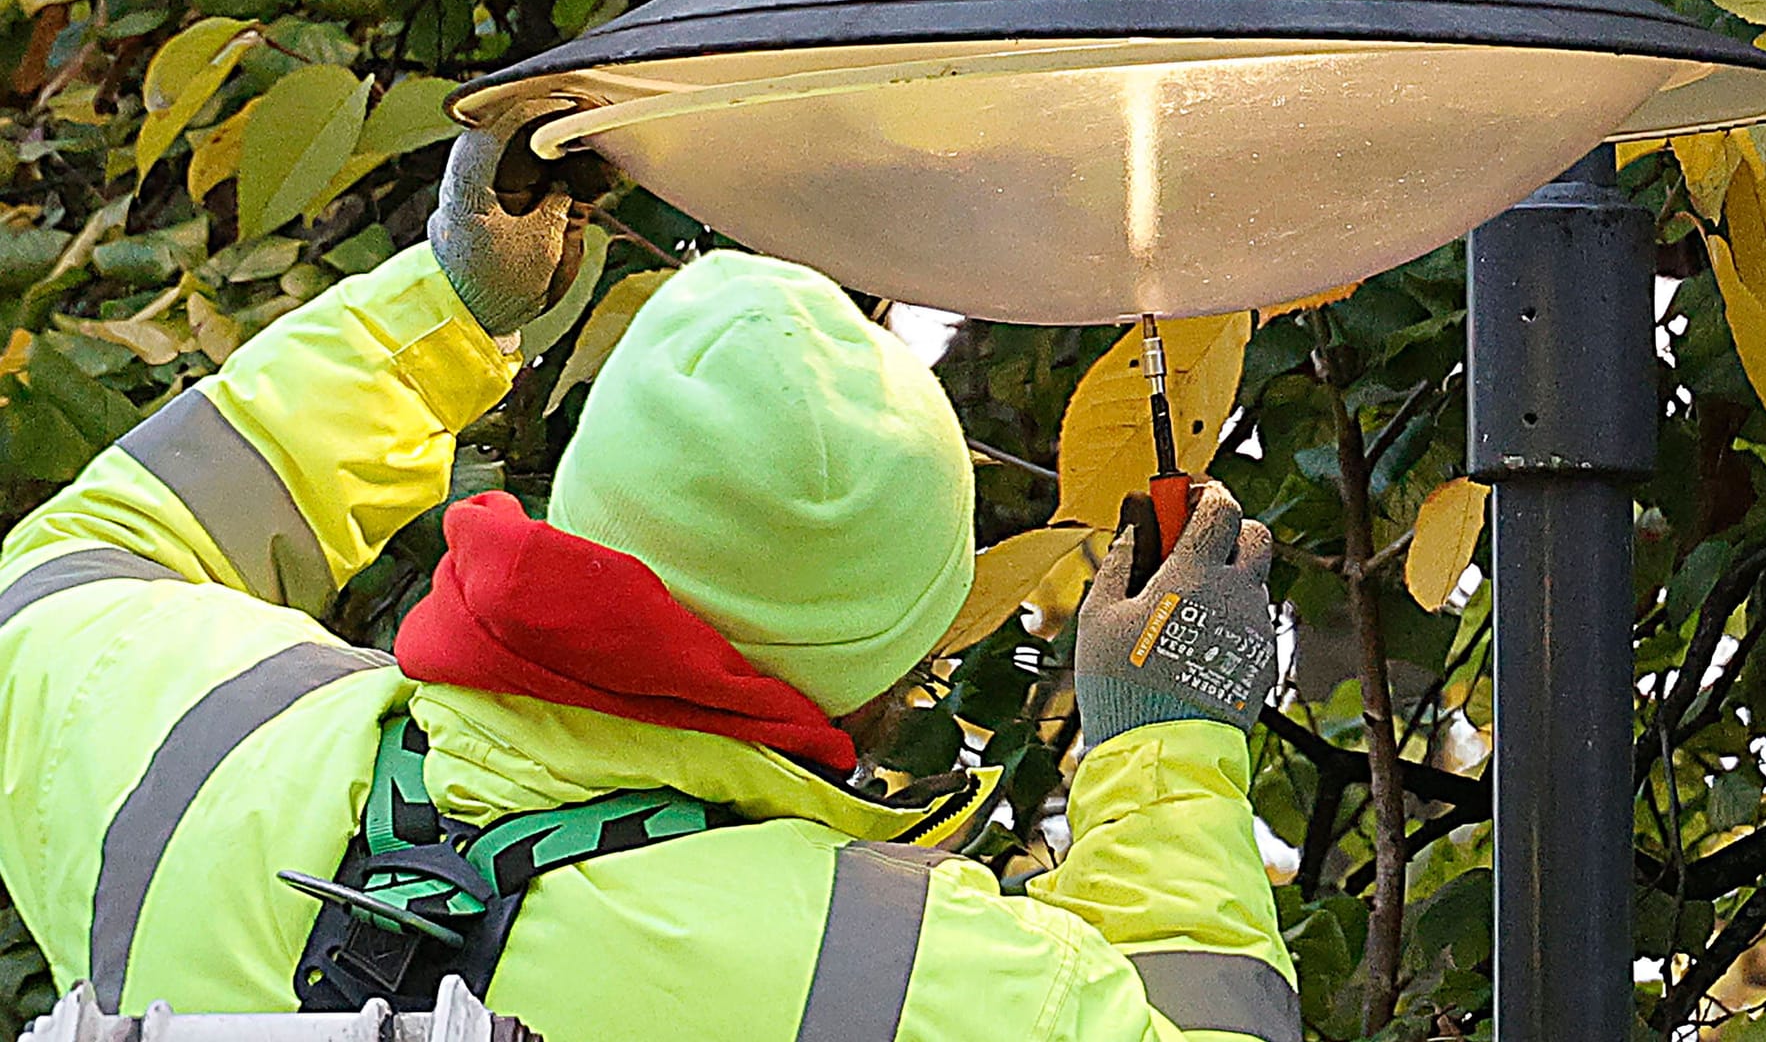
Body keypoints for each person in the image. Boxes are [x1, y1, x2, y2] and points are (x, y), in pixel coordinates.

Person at [0, 103, 1300, 1042]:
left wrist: (441, 312)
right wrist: (1170, 750)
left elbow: (67, 570)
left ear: (588, 514)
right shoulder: (934, 991)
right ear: (900, 664)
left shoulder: (186, 748)